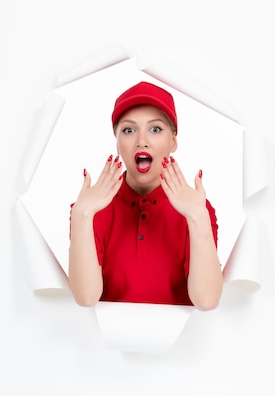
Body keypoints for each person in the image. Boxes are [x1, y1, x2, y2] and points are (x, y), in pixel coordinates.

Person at [68, 81, 223, 311]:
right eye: (129, 130)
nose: (142, 141)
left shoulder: (197, 208)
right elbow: (86, 297)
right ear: (118, 143)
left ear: (173, 142)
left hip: (182, 346)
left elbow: (207, 300)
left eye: (155, 129)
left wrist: (198, 217)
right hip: (106, 345)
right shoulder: (91, 209)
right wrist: (81, 214)